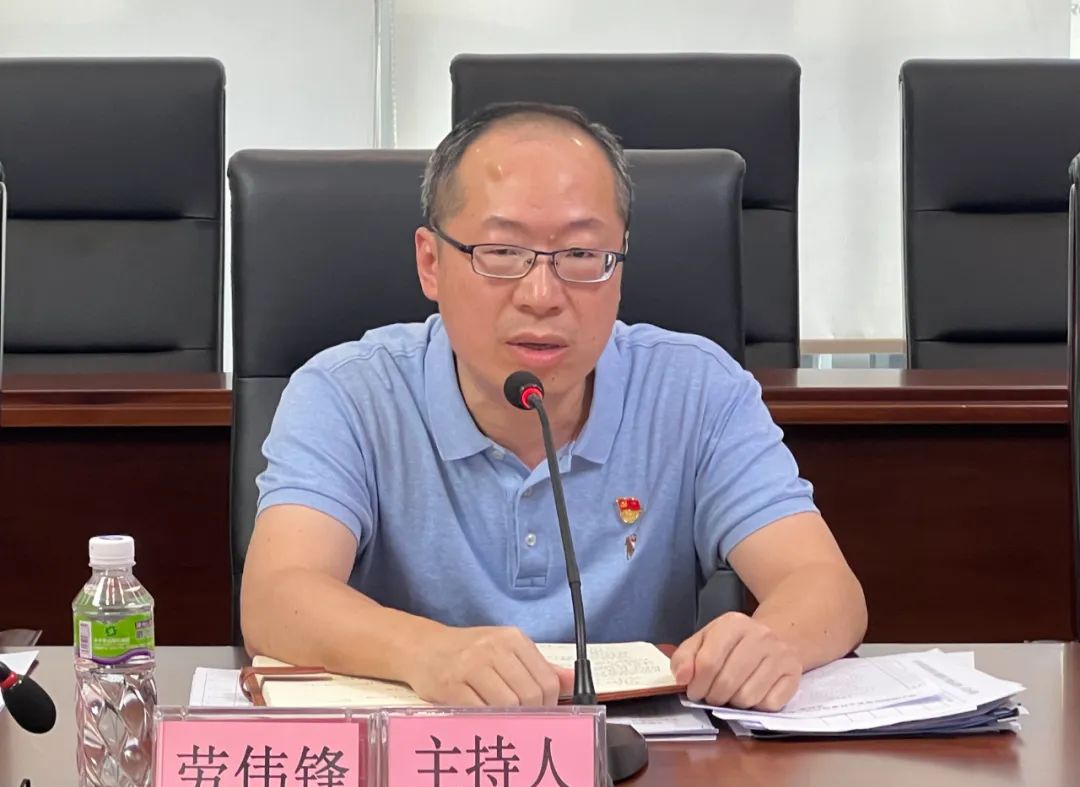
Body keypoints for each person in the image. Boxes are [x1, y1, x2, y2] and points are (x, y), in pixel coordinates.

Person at [240, 101, 866, 712]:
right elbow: (276, 597)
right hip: (424, 760)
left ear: (620, 264)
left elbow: (826, 588)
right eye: (501, 253)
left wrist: (771, 643)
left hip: (642, 760)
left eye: (582, 256)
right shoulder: (347, 393)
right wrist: (424, 651)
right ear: (431, 263)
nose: (542, 295)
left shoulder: (697, 390)